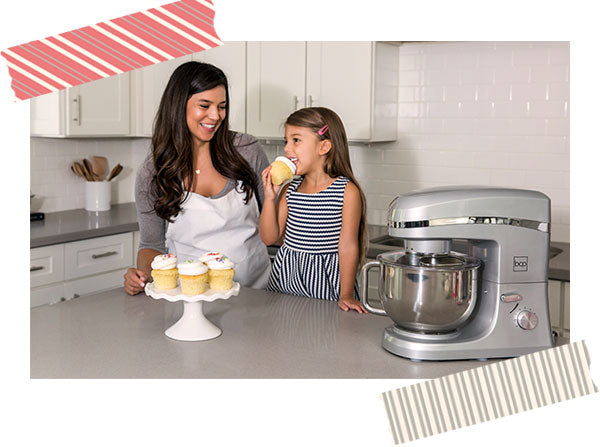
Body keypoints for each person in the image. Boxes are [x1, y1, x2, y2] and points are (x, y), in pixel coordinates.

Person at [124, 61, 271, 295]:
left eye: (222, 106)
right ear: (178, 105)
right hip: (190, 299)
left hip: (256, 292)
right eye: (205, 105)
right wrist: (141, 276)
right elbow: (150, 246)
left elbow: (275, 224)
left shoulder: (246, 150)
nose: (215, 115)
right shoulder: (154, 172)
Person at [259, 107, 368, 313]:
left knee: (322, 334)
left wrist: (346, 294)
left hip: (325, 283)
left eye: (296, 140)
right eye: (286, 141)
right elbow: (268, 238)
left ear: (324, 146)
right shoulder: (289, 190)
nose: (287, 149)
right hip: (286, 281)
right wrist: (269, 198)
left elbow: (347, 246)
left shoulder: (346, 191)